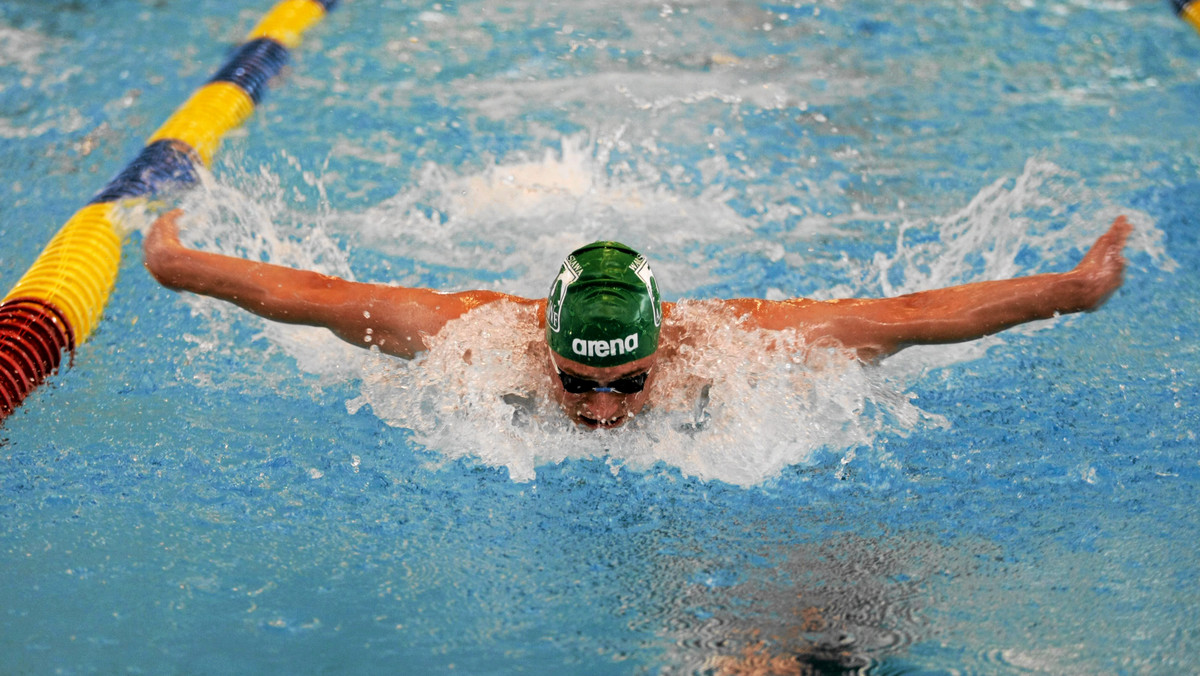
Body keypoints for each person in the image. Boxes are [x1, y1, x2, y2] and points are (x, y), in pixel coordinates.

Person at [144, 209, 1132, 429]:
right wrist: (174, 263)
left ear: (666, 346)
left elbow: (910, 317)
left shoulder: (736, 342)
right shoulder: (475, 333)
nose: (606, 410)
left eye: (629, 381)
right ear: (547, 344)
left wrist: (1067, 292)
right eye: (581, 381)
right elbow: (303, 295)